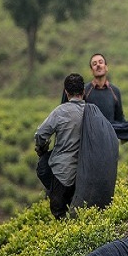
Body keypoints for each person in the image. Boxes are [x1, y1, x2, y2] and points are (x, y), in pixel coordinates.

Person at [35, 73, 86, 219]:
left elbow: (40, 134)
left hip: (61, 173)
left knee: (59, 215)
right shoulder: (91, 112)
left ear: (66, 92)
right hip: (84, 173)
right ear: (83, 92)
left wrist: (42, 148)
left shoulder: (60, 112)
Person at [84, 53, 125, 123]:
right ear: (91, 71)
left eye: (101, 62)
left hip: (110, 132)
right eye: (94, 64)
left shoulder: (115, 91)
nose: (98, 65)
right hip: (91, 133)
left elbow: (120, 118)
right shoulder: (85, 91)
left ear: (106, 67)